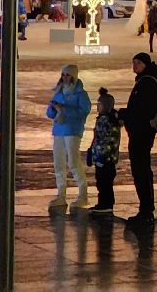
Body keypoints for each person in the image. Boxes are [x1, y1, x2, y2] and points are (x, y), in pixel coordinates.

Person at [121, 53, 157, 224]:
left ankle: (146, 210)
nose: (135, 65)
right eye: (133, 62)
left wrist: (125, 115)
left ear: (145, 64)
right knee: (142, 169)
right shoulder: (146, 79)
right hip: (141, 131)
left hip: (142, 132)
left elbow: (142, 109)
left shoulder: (147, 82)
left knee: (141, 170)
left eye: (138, 63)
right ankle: (146, 209)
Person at [47, 64, 92, 209]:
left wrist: (64, 110)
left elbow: (84, 111)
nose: (64, 77)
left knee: (73, 161)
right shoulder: (59, 92)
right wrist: (53, 109)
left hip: (72, 130)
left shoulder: (80, 94)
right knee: (58, 162)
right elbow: (50, 113)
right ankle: (61, 194)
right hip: (59, 130)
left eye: (67, 75)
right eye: (63, 74)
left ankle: (83, 194)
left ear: (73, 76)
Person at [86, 88, 120, 216]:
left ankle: (106, 204)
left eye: (99, 105)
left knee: (104, 182)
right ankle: (104, 203)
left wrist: (100, 156)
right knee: (102, 182)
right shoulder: (106, 119)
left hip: (105, 159)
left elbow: (106, 141)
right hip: (104, 158)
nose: (97, 107)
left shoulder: (106, 121)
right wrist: (91, 151)